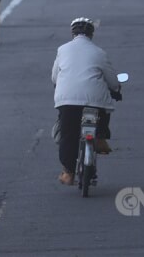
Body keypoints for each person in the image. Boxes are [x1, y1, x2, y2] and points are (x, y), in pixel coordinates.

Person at [52, 17, 121, 186]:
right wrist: (117, 90)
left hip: (67, 100)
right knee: (103, 109)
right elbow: (112, 81)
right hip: (94, 101)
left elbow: (54, 77)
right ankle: (100, 136)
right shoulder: (99, 52)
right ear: (92, 34)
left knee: (68, 135)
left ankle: (68, 172)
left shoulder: (62, 49)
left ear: (72, 33)